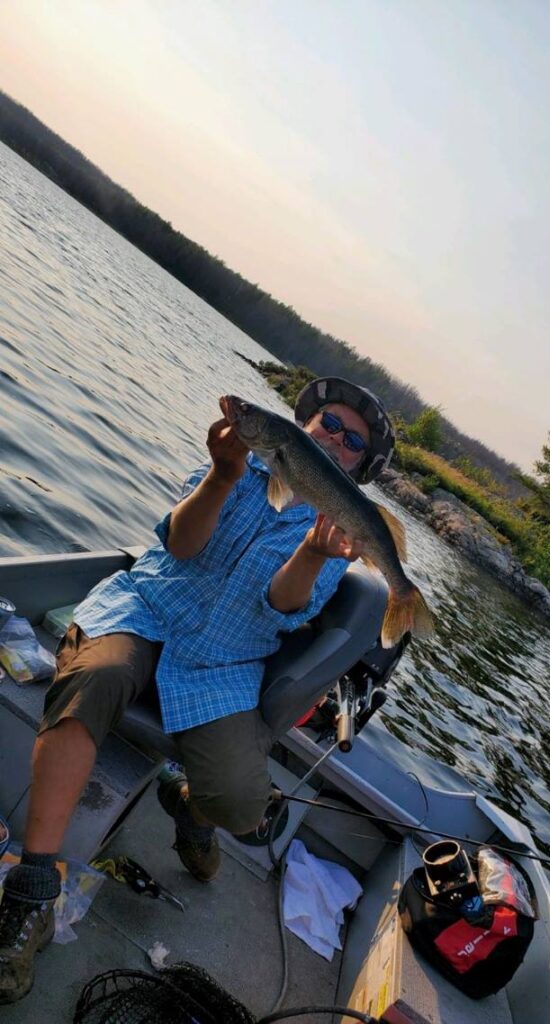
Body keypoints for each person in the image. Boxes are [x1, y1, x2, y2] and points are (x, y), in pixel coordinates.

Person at [0, 376, 395, 1004]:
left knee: (242, 807)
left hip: (223, 662)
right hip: (150, 606)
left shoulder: (334, 532)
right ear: (303, 430)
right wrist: (221, 473)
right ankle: (32, 893)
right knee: (93, 681)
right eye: (328, 425)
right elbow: (181, 544)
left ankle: (187, 802)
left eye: (352, 441)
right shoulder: (239, 465)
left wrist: (317, 557)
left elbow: (282, 604)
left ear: (356, 468)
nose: (336, 438)